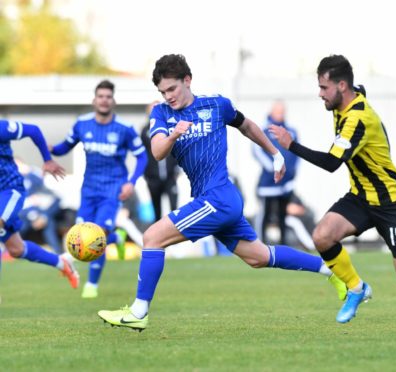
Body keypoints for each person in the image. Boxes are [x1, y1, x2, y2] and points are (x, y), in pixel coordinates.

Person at [98, 54, 347, 331]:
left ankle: (139, 311)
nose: (168, 96)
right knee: (259, 257)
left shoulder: (216, 105)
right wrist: (173, 135)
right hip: (211, 200)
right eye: (162, 91)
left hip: (220, 198)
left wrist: (275, 153)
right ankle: (332, 270)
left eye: (172, 89)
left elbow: (248, 126)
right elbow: (157, 152)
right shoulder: (161, 113)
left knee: (152, 237)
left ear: (187, 80)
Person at [269, 54, 396, 341]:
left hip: (392, 203)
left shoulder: (358, 118)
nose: (320, 94)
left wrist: (290, 145)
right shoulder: (342, 104)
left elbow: (333, 163)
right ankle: (356, 288)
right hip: (361, 197)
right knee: (322, 236)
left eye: (324, 88)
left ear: (342, 86)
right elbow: (361, 92)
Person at [50, 80, 148, 299]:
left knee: (96, 235)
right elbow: (64, 146)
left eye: (108, 96)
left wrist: (131, 182)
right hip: (89, 190)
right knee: (80, 237)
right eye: (100, 96)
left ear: (113, 101)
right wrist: (50, 150)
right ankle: (118, 238)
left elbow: (142, 156)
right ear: (94, 100)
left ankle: (92, 284)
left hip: (112, 190)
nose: (104, 100)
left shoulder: (124, 129)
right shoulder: (82, 124)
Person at [0, 119, 79, 290]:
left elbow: (33, 130)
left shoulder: (2, 128)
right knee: (16, 249)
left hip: (9, 190)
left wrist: (48, 160)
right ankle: (61, 262)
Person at [253, 100, 299, 245]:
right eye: (278, 111)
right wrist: (274, 168)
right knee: (265, 215)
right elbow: (256, 151)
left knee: (282, 216)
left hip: (286, 183)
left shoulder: (291, 131)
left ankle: (283, 245)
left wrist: (291, 171)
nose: (280, 114)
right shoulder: (264, 131)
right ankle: (261, 245)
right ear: (272, 112)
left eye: (282, 111)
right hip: (268, 182)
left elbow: (296, 153)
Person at [141, 101, 179, 221]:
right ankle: (159, 235)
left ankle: (175, 232)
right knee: (156, 209)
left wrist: (177, 168)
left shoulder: (171, 127)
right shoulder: (145, 131)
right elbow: (143, 153)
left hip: (170, 176)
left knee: (174, 207)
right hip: (153, 177)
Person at [17, 159, 63, 254]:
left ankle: (59, 254)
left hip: (40, 214)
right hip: (24, 215)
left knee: (48, 224)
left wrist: (44, 216)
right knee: (17, 227)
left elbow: (55, 198)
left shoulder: (33, 177)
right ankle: (11, 250)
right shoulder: (12, 182)